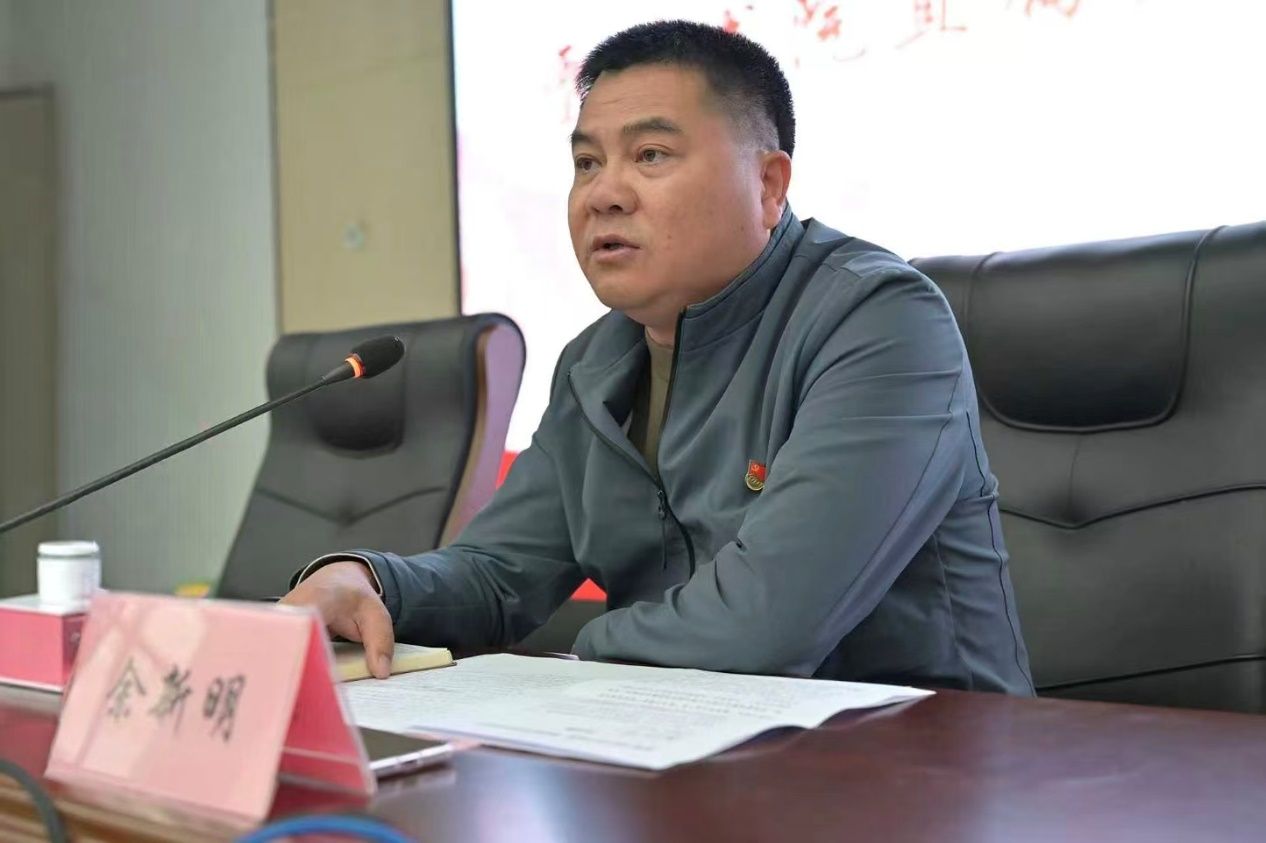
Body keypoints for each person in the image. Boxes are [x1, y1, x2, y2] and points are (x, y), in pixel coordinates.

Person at [280, 20, 1033, 694]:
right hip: (688, 753)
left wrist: (574, 658)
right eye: (586, 163)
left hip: (923, 763)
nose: (603, 194)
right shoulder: (595, 363)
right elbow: (498, 574)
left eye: (650, 155)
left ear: (768, 185)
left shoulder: (879, 320)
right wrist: (368, 582)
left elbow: (764, 626)